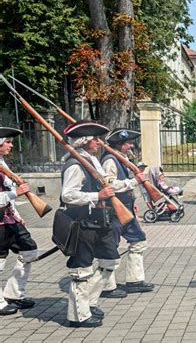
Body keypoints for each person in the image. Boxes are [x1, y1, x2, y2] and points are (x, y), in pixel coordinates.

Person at [60, 120, 119, 327]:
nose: (99, 142)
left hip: (99, 221)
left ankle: (90, 302)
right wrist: (97, 195)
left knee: (110, 261)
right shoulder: (75, 165)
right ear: (83, 141)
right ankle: (77, 315)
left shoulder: (91, 160)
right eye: (95, 138)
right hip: (82, 222)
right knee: (82, 270)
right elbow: (68, 195)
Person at [100, 128, 154, 298]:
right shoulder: (110, 160)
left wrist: (132, 201)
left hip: (125, 207)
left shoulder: (122, 158)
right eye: (128, 142)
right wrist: (133, 182)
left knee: (138, 240)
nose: (131, 145)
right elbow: (108, 185)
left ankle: (135, 281)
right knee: (110, 248)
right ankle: (106, 286)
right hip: (113, 210)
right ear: (120, 144)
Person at [0, 127, 39, 316]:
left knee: (30, 250)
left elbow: (8, 195)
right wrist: (16, 193)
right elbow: (8, 194)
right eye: (8, 142)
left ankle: (13, 294)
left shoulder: (2, 163)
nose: (11, 145)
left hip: (9, 219)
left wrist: (16, 213)